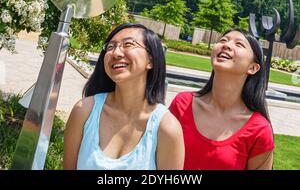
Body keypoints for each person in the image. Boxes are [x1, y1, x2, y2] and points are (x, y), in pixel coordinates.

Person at [64, 23, 184, 170]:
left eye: (128, 44)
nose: (116, 53)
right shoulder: (84, 111)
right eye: (110, 47)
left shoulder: (166, 128)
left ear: (151, 60)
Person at [169, 28, 275, 170]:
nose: (226, 45)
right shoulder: (182, 104)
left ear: (253, 68)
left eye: (239, 44)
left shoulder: (259, 130)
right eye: (223, 40)